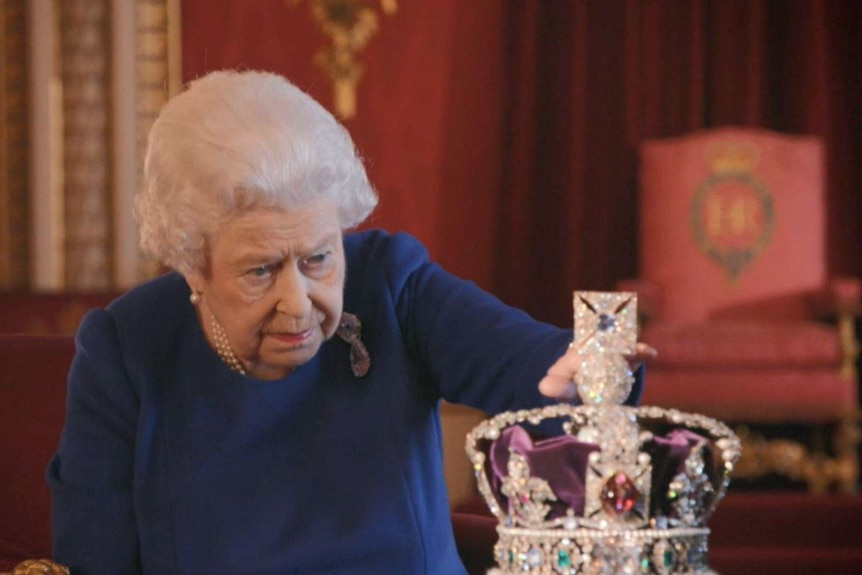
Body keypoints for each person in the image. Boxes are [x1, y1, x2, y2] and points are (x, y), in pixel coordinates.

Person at [47, 70, 653, 575]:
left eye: (318, 258)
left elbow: (531, 363)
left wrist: (586, 371)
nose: (298, 302)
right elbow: (92, 559)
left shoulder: (391, 282)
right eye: (260, 270)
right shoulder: (126, 350)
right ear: (191, 265)